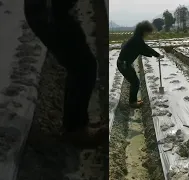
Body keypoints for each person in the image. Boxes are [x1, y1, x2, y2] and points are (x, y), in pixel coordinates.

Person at [24, 0, 107, 147]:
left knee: (81, 66)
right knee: (83, 67)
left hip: (52, 11)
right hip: (47, 12)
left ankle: (75, 125)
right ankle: (75, 130)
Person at [117, 20, 164, 108]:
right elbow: (145, 48)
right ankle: (132, 102)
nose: (148, 34)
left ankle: (133, 100)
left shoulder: (136, 38)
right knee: (135, 82)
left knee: (134, 81)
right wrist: (157, 55)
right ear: (144, 31)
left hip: (124, 63)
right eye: (148, 32)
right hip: (123, 64)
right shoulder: (137, 40)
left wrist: (156, 55)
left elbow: (143, 49)